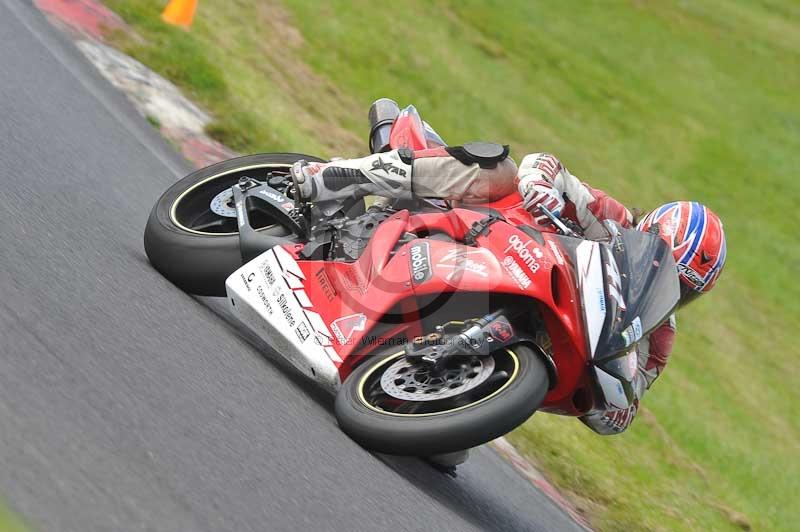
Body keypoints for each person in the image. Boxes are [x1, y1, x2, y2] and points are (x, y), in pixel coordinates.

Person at [291, 142, 726, 435]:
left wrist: (610, 397)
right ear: (648, 232)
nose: (672, 287)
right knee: (501, 169)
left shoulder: (655, 331)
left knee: (448, 454)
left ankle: (433, 375)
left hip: (528, 325)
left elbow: (623, 412)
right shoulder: (611, 221)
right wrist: (542, 190)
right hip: (494, 236)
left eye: (685, 288)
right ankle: (339, 177)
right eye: (668, 267)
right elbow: (547, 166)